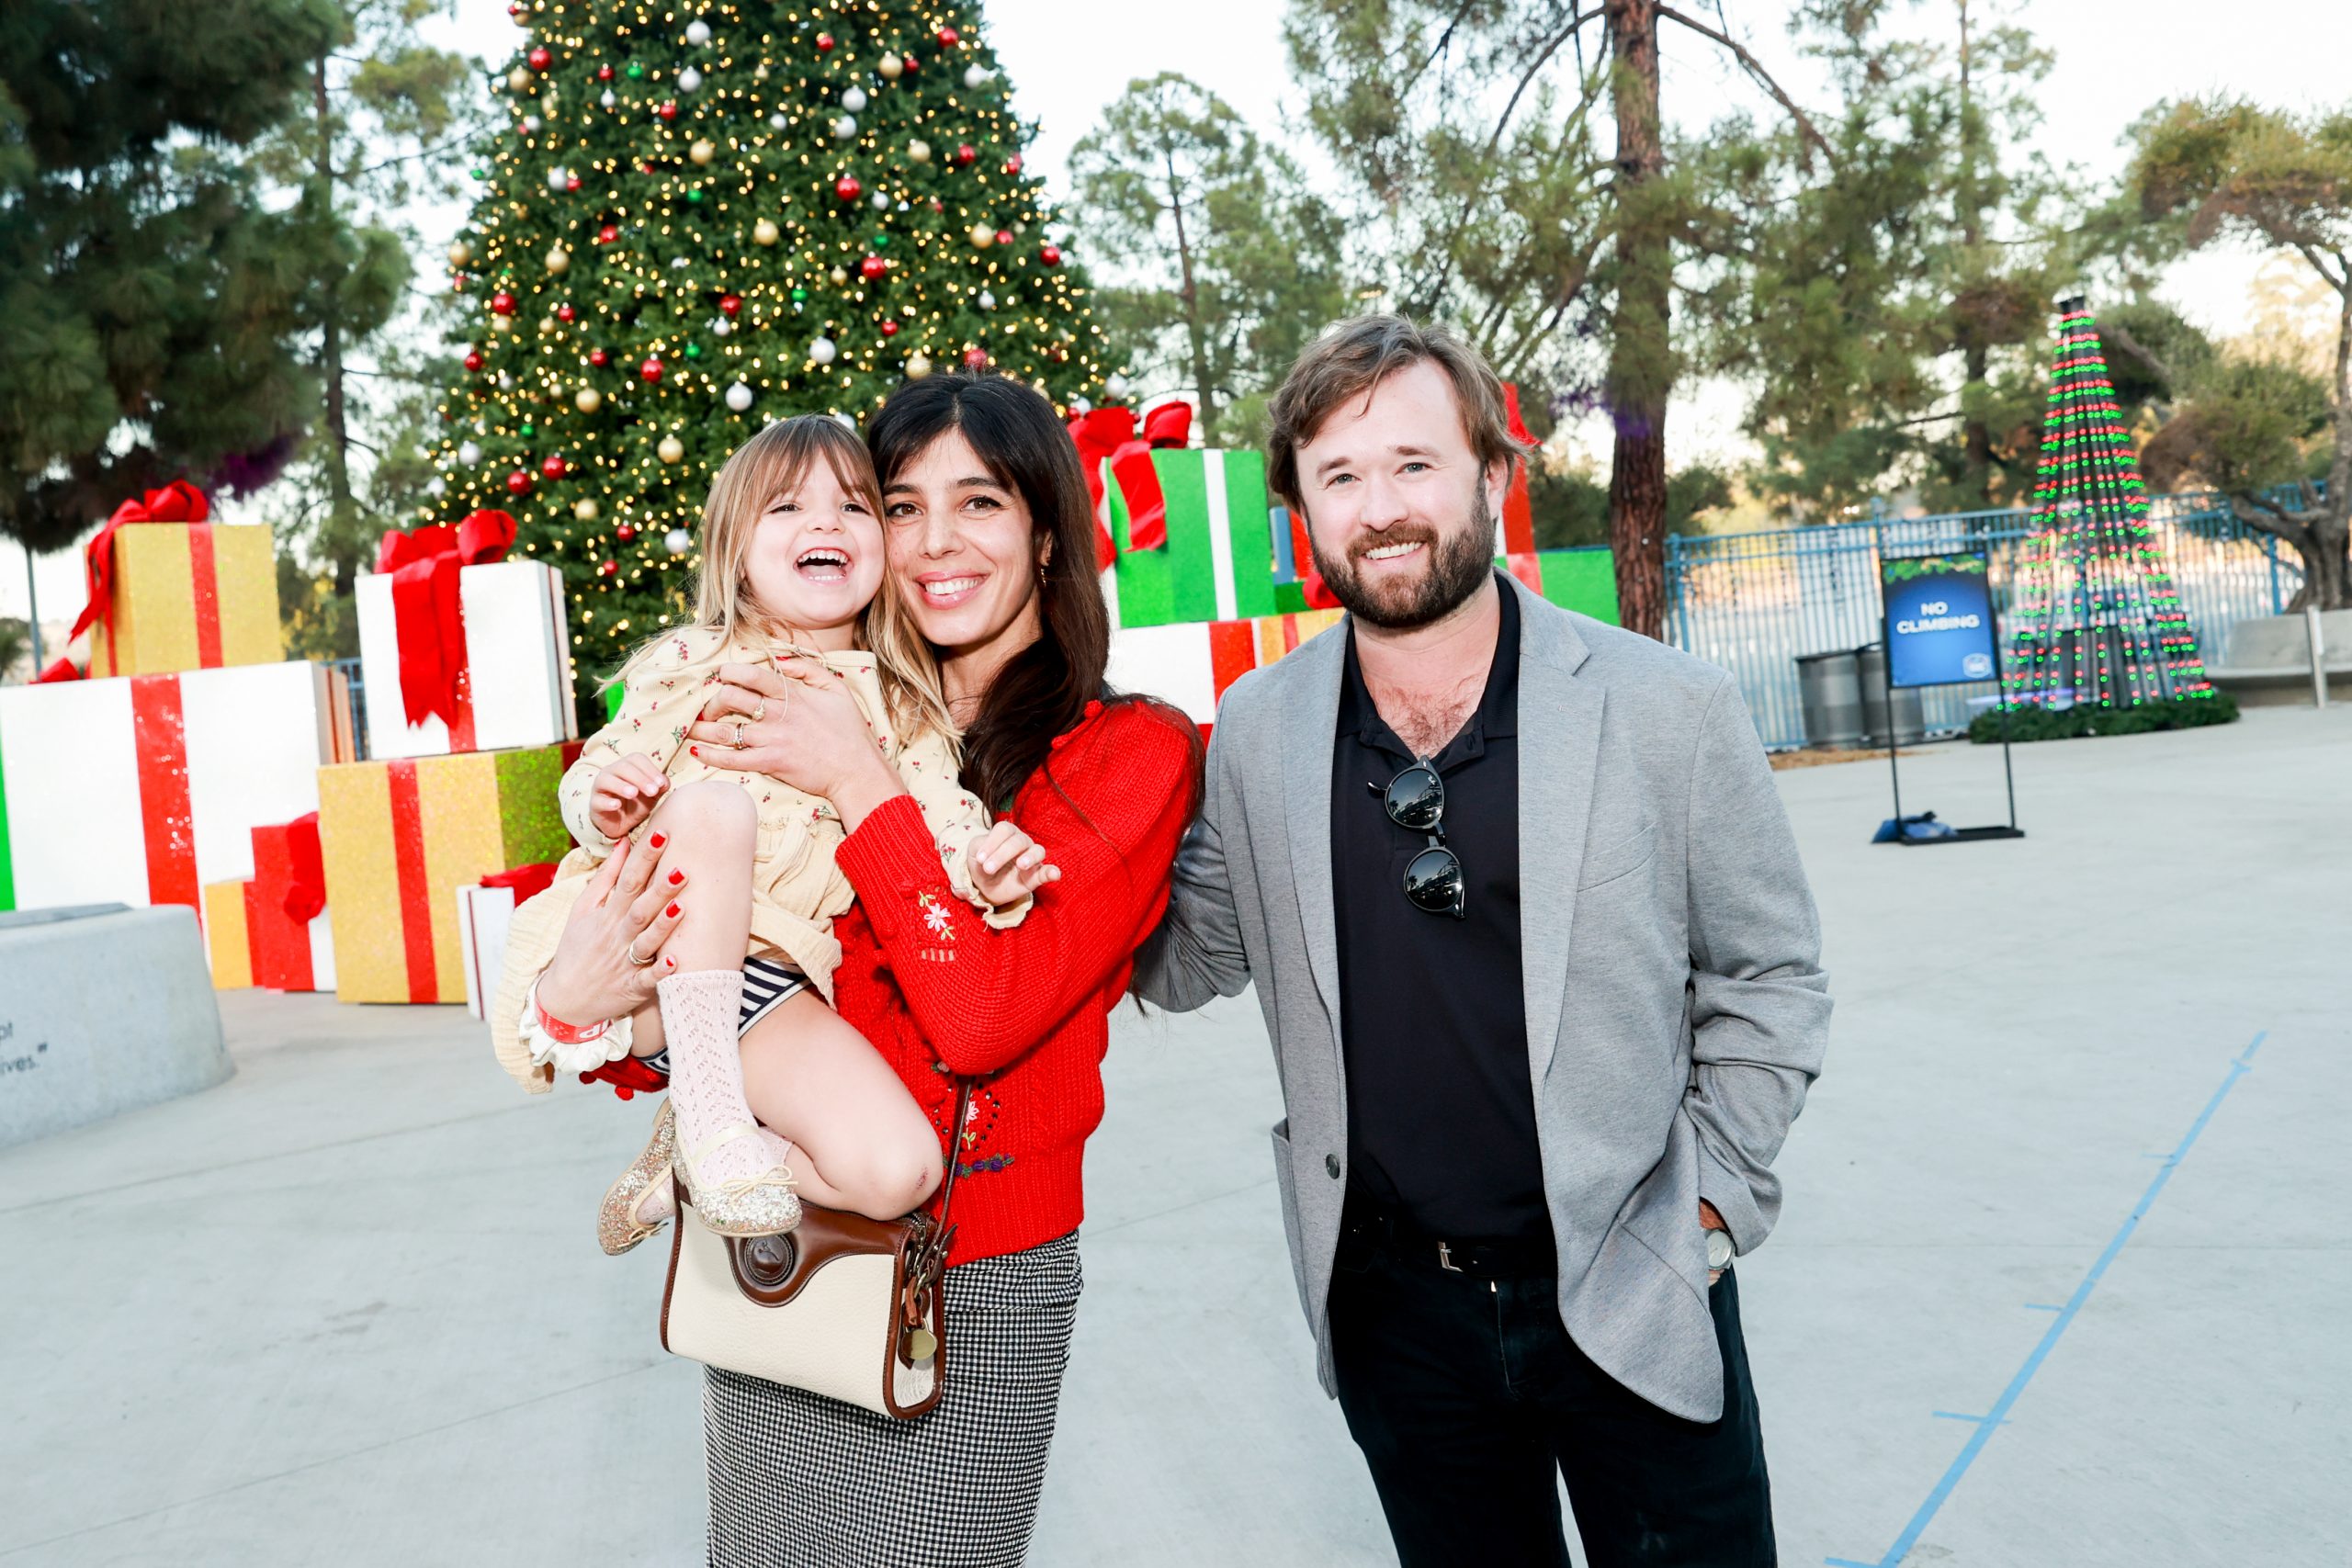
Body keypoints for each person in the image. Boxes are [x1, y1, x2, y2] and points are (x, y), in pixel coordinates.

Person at [1134, 314, 1832, 1568]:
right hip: (1398, 1310)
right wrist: (1070, 814)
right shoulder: (1254, 730)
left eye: (1414, 463)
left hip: (1635, 1268)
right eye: (1339, 475)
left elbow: (1768, 976)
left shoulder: (1666, 709)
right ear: (1301, 511)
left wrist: (1712, 1208)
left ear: (1493, 479)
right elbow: (1188, 961)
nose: (1381, 506)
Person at [510, 372, 1202, 1567]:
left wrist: (854, 775)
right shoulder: (819, 692)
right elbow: (714, 975)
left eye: (979, 502)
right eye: (901, 502)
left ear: (1045, 534)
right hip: (779, 1243)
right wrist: (571, 1000)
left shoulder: (1124, 750)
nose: (934, 541)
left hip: (972, 1283)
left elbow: (982, 1014)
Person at [490, 416, 1052, 1250]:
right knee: (718, 811)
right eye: (788, 506)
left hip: (776, 983)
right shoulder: (695, 660)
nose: (826, 523)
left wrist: (984, 871)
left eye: (855, 506)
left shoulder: (901, 703)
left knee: (901, 1169)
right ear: (737, 555)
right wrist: (602, 798)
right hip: (650, 947)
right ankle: (713, 1114)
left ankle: (696, 1151)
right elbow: (598, 766)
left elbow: (940, 815)